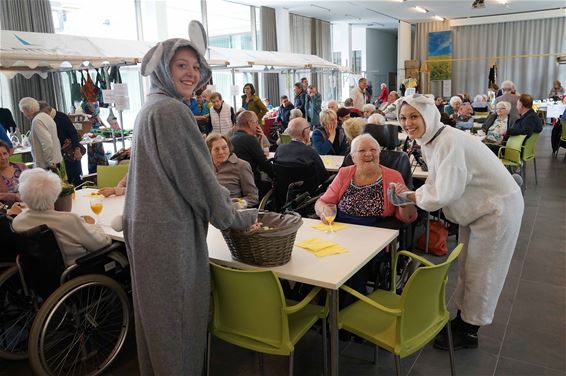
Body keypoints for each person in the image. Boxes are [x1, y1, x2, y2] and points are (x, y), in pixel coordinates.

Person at [123, 29, 257, 376]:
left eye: (195, 66)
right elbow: (201, 182)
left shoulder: (149, 109)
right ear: (163, 69)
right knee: (179, 325)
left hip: (146, 230)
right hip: (169, 236)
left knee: (158, 327)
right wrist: (238, 218)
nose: (191, 73)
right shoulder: (172, 112)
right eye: (181, 65)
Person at [392, 94, 523, 351]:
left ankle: (470, 330)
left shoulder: (449, 143)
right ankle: (464, 319)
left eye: (414, 116)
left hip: (496, 209)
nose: (407, 123)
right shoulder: (435, 139)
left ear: (428, 115)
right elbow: (437, 181)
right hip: (478, 209)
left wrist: (410, 196)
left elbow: (443, 193)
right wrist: (411, 194)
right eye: (403, 117)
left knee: (483, 272)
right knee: (468, 266)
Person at [12, 168, 111, 266]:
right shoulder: (69, 220)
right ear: (55, 194)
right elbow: (102, 244)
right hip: (77, 271)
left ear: (23, 195)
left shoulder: (17, 221)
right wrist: (92, 225)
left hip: (37, 276)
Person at [315, 133, 416, 226]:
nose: (368, 154)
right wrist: (324, 211)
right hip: (341, 228)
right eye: (362, 150)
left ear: (379, 154)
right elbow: (322, 202)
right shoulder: (344, 173)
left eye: (373, 150)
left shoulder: (393, 176)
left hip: (376, 231)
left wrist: (404, 201)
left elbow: (408, 218)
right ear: (353, 157)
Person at [274, 117, 329, 190]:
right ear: (305, 132)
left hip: (283, 194)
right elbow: (324, 177)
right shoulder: (309, 152)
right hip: (308, 196)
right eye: (309, 129)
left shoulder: (280, 149)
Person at [206, 133, 258, 207]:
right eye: (216, 149)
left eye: (224, 148)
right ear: (209, 151)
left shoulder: (241, 166)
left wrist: (237, 205)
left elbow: (253, 197)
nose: (221, 152)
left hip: (232, 211)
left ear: (229, 148)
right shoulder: (206, 166)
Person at [38, 101, 83, 186]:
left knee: (73, 179)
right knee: (59, 181)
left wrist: (77, 149)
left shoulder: (61, 117)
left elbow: (73, 133)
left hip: (68, 153)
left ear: (47, 111)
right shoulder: (44, 120)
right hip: (57, 154)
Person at [230, 111, 273, 195]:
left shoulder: (232, 138)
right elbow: (264, 165)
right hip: (251, 184)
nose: (258, 125)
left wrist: (259, 142)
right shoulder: (249, 139)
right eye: (257, 122)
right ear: (250, 123)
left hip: (237, 184)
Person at [18, 97, 63, 170]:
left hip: (47, 165)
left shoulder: (37, 121)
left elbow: (47, 142)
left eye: (22, 112)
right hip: (55, 161)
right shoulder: (46, 117)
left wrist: (49, 162)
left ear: (26, 110)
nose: (24, 114)